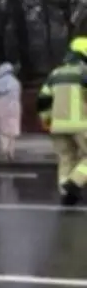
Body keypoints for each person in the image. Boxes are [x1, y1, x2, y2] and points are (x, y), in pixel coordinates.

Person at [36, 37, 87, 206]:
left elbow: (43, 99)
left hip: (57, 125)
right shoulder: (84, 73)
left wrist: (46, 120)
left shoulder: (55, 74)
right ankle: (74, 183)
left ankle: (66, 194)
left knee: (66, 158)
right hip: (81, 124)